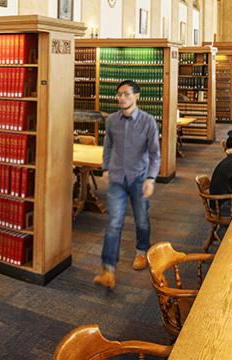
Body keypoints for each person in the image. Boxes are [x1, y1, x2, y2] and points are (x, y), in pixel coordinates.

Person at [94, 80, 161, 290]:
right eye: (119, 94)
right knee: (114, 222)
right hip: (116, 178)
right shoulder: (112, 120)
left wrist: (151, 178)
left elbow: (154, 154)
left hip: (140, 177)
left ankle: (142, 251)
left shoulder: (148, 121)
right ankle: (108, 269)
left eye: (126, 94)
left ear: (136, 96)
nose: (122, 97)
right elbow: (107, 146)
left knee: (141, 220)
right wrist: (105, 168)